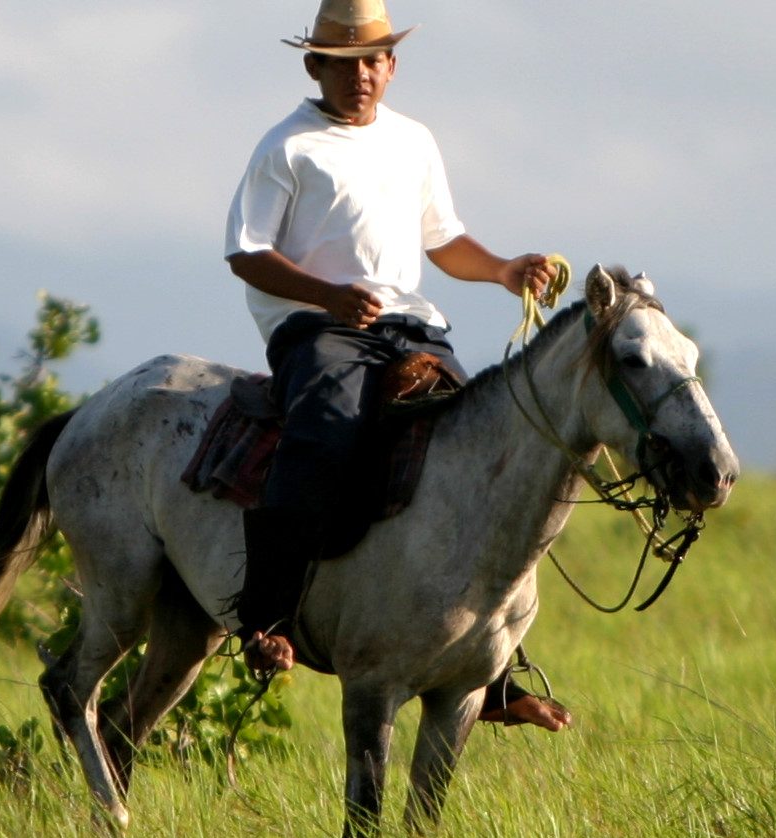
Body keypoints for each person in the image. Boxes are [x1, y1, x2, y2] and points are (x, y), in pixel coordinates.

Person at [223, 0, 571, 731]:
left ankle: (495, 665)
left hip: (409, 326)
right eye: (344, 64)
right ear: (314, 65)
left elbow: (443, 241)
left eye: (373, 61)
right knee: (322, 433)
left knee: (482, 450)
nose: (360, 75)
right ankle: (268, 618)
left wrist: (505, 269)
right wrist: (326, 295)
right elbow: (246, 254)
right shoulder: (285, 147)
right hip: (314, 328)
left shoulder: (413, 140)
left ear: (391, 64)